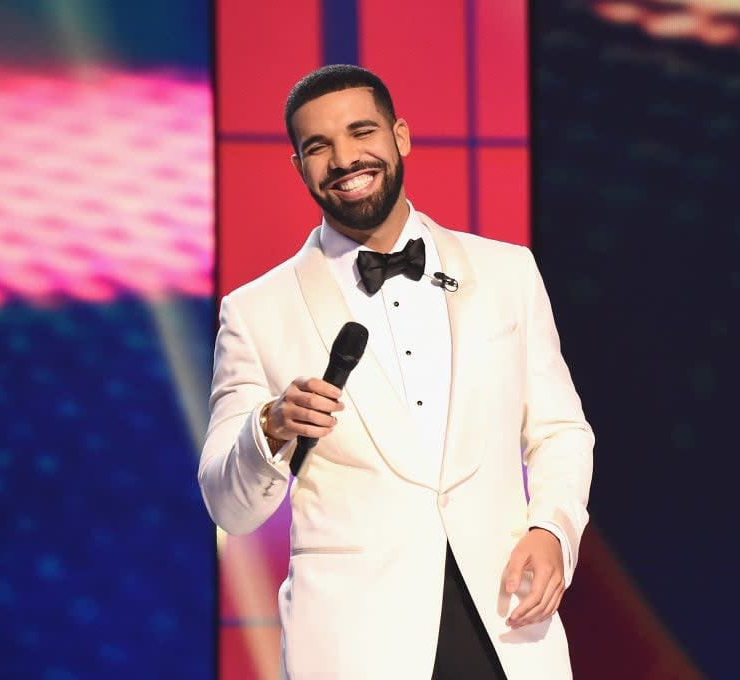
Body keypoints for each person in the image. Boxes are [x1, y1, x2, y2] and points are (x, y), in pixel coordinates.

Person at [198, 64, 593, 679]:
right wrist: (271, 427)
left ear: (400, 136)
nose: (345, 158)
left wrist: (552, 529)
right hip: (356, 643)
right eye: (318, 147)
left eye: (362, 133)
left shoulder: (508, 272)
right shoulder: (255, 311)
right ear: (299, 166)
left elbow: (561, 430)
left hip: (507, 621)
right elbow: (229, 504)